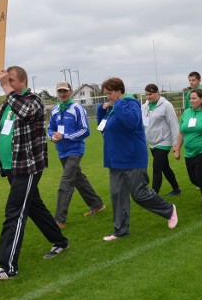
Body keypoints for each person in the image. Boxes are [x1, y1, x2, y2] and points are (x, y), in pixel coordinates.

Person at [0, 67, 69, 280]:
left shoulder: (33, 100)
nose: (7, 83)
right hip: (11, 167)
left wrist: (5, 87)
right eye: (5, 80)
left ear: (22, 81)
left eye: (10, 80)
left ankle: (8, 267)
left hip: (27, 166)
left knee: (15, 212)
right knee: (34, 206)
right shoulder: (7, 104)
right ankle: (60, 241)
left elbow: (27, 113)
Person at [97, 77, 178, 240]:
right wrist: (102, 109)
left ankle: (169, 210)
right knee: (117, 194)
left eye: (110, 93)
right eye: (106, 93)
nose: (108, 96)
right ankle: (120, 230)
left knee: (139, 194)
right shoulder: (114, 107)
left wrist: (117, 104)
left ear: (120, 91)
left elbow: (133, 122)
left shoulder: (129, 103)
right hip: (115, 160)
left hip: (132, 158)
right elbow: (103, 128)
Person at [48, 81, 105, 228]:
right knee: (78, 179)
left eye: (65, 91)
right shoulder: (54, 109)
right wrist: (52, 137)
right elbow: (50, 128)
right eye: (59, 91)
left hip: (75, 150)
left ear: (71, 91)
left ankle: (59, 220)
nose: (62, 94)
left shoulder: (77, 108)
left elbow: (85, 130)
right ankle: (96, 204)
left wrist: (65, 136)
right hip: (61, 151)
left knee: (66, 183)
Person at [141, 83, 182, 196]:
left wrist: (176, 145)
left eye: (151, 94)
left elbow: (174, 124)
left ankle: (154, 195)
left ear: (157, 92)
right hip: (152, 142)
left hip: (164, 141)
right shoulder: (144, 107)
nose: (148, 97)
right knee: (165, 167)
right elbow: (144, 125)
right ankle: (176, 189)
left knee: (157, 167)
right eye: (147, 94)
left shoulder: (166, 105)